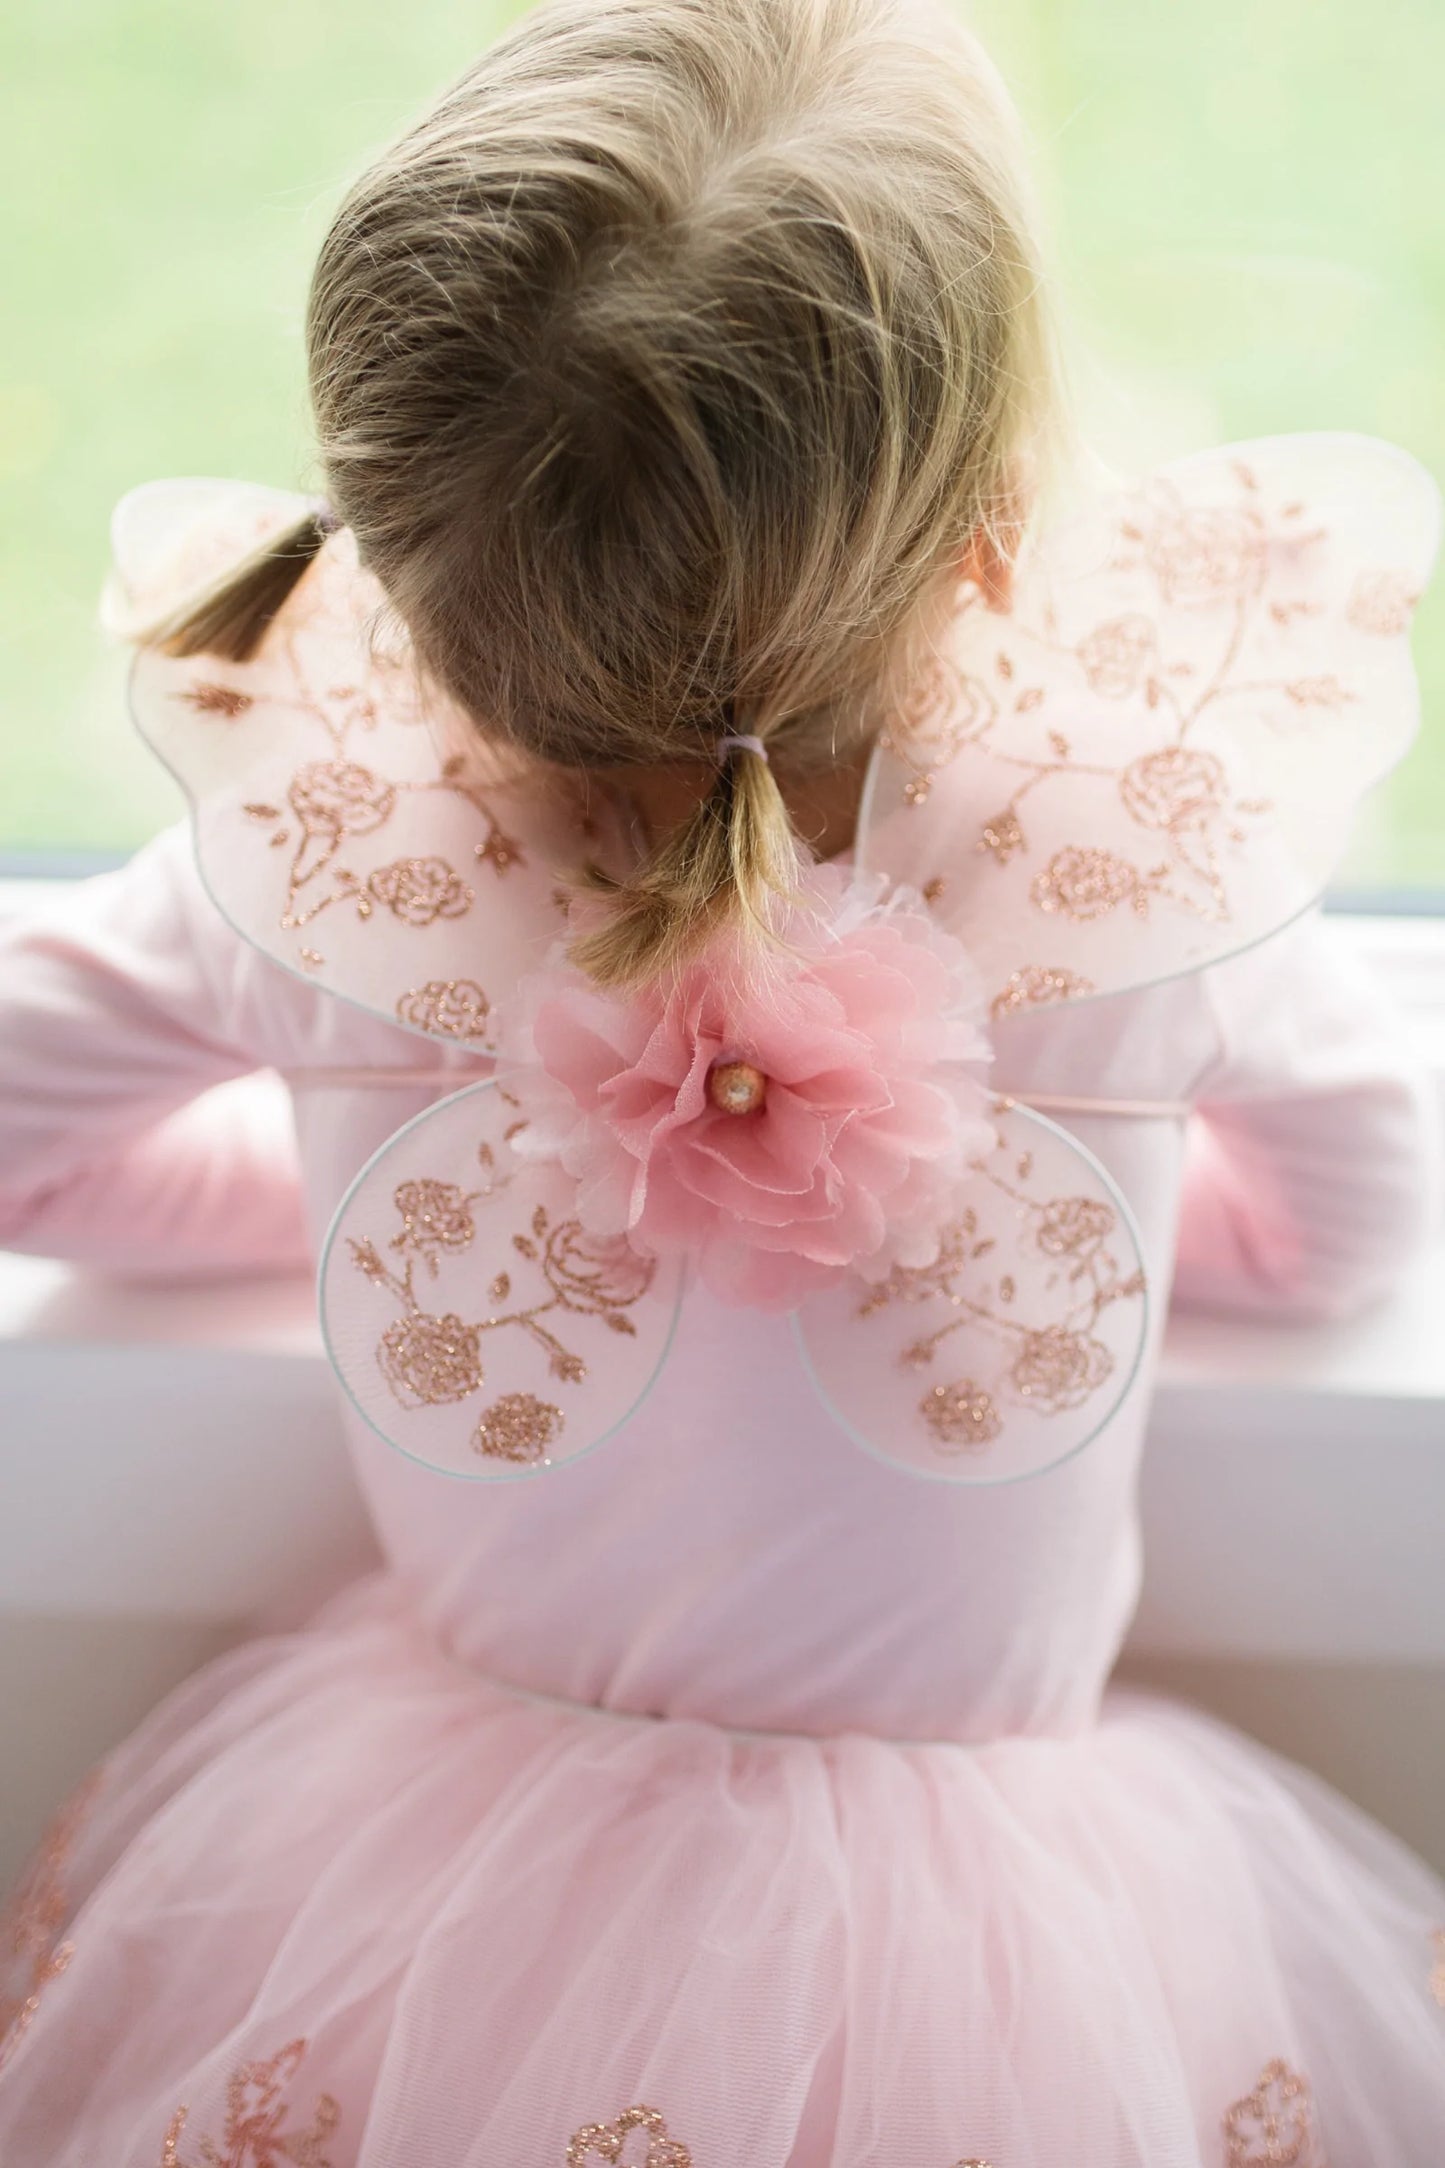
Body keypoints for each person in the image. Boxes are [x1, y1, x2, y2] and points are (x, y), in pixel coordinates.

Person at [2, 1, 1442, 2159]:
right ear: (989, 529)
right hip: (1007, 1971)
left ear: (395, 552)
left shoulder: (326, 878)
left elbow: (29, 1134)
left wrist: (343, 1190)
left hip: (423, 1903)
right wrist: (1026, 1233)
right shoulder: (1138, 885)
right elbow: (1348, 1225)